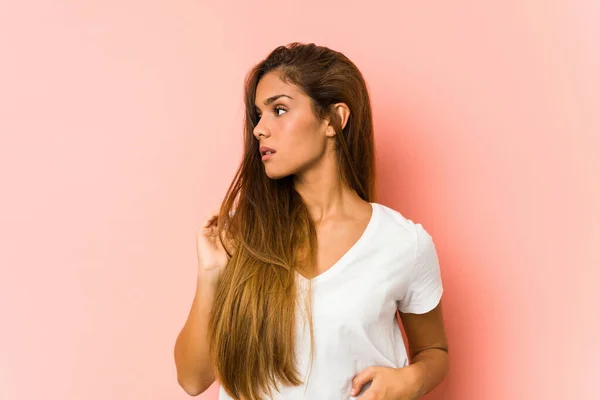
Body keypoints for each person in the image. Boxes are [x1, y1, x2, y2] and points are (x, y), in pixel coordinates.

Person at [174, 42, 449, 400]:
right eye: (259, 114)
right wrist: (211, 274)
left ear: (333, 119)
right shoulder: (243, 237)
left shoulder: (402, 243)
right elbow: (192, 380)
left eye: (280, 110)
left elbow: (435, 352)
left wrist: (409, 381)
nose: (260, 129)